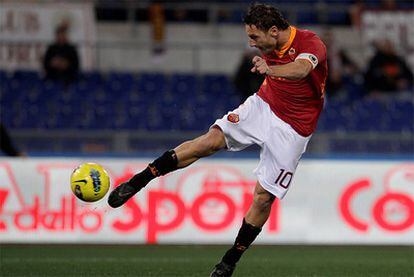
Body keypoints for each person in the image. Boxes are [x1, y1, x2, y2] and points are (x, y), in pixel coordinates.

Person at [108, 3, 327, 277]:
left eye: (254, 37)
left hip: (294, 128)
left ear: (273, 31)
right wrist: (267, 67)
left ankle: (229, 261)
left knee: (262, 199)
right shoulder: (268, 45)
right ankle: (138, 181)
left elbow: (301, 69)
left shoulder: (310, 42)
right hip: (264, 105)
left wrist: (269, 69)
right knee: (208, 141)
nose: (251, 42)